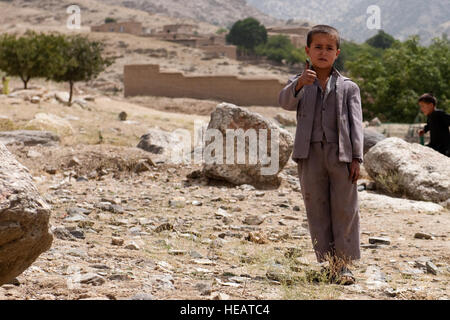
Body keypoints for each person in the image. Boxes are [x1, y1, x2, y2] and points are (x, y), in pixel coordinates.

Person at [278, 25, 363, 285]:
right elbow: (284, 102)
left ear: (337, 53)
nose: (323, 52)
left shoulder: (349, 87)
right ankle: (328, 264)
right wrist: (299, 84)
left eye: (329, 48)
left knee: (345, 209)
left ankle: (345, 266)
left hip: (342, 156)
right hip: (309, 154)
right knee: (317, 208)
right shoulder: (301, 82)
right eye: (318, 47)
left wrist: (357, 158)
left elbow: (356, 123)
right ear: (308, 50)